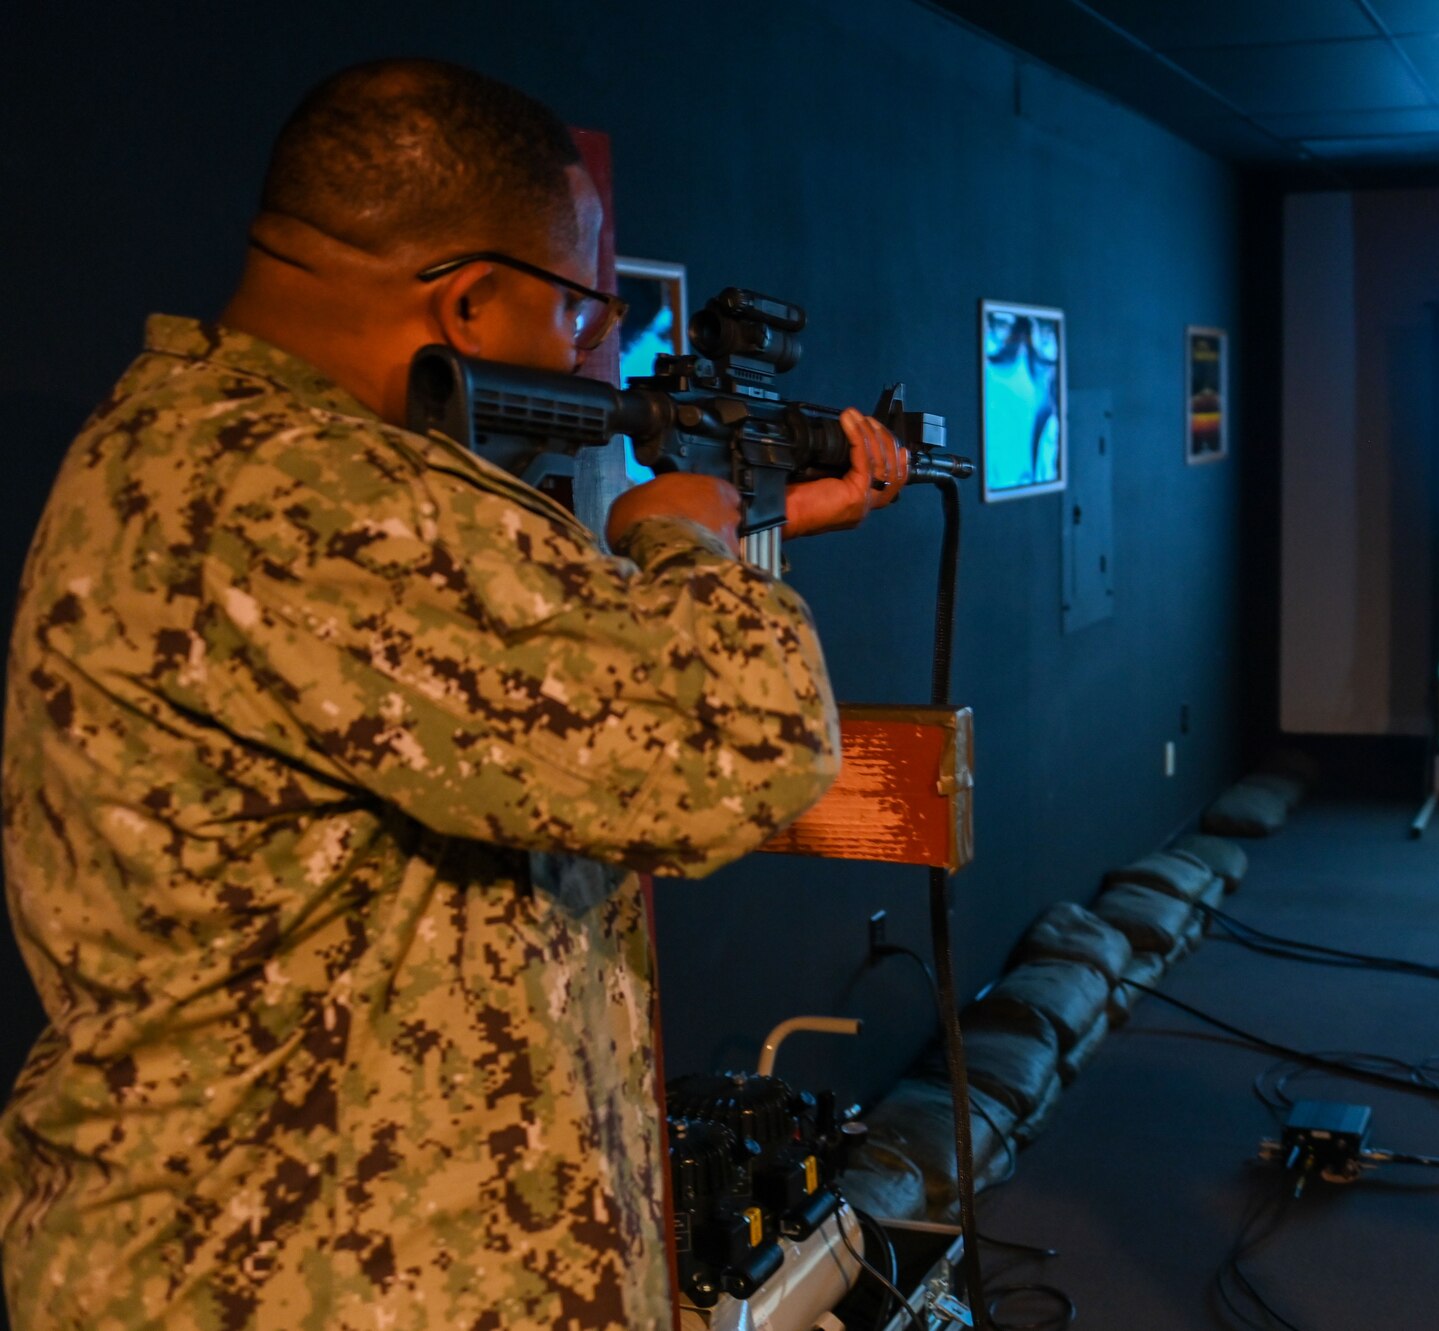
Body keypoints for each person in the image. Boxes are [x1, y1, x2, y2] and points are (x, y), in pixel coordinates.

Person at [0, 58, 908, 1330]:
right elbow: (742, 750)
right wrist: (686, 543)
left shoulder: (198, 451)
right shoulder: (322, 489)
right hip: (315, 1277)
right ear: (474, 303)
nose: (596, 350)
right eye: (591, 314)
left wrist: (747, 519)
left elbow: (475, 700)